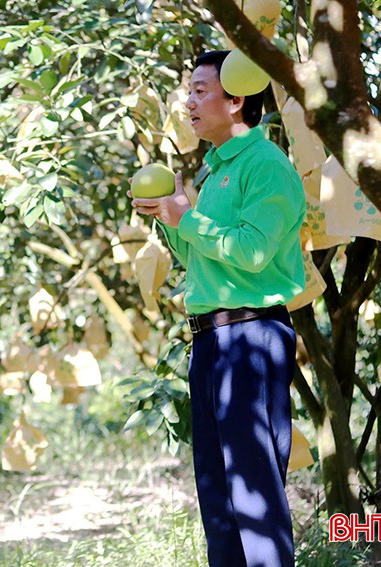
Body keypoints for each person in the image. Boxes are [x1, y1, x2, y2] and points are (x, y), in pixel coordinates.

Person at [131, 50, 306, 567]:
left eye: (200, 90)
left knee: (254, 493)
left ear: (237, 99)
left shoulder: (267, 166)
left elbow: (252, 253)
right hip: (209, 340)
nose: (188, 101)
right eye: (189, 90)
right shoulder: (215, 170)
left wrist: (189, 220)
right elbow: (203, 258)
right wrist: (169, 218)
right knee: (218, 494)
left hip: (251, 338)